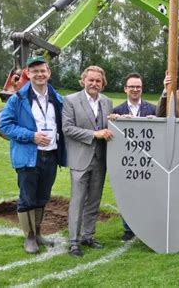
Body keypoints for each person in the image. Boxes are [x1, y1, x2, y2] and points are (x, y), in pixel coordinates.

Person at [0, 56, 66, 254]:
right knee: (27, 198)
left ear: (49, 73)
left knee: (42, 197)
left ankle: (37, 233)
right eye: (34, 71)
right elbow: (5, 125)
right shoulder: (17, 98)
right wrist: (31, 136)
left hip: (50, 156)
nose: (39, 74)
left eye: (42, 70)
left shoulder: (57, 99)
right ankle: (29, 237)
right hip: (29, 156)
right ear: (28, 73)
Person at [63, 65, 114, 257]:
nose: (94, 83)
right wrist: (94, 134)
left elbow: (110, 126)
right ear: (83, 81)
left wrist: (116, 120)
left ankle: (88, 236)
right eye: (91, 80)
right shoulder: (71, 100)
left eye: (98, 81)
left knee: (94, 200)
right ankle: (74, 241)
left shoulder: (107, 102)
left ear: (103, 83)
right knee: (77, 201)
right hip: (80, 159)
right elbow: (67, 128)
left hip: (100, 160)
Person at [112, 72, 156, 241]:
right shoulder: (117, 110)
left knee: (147, 195)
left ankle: (146, 227)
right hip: (126, 161)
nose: (135, 89)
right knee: (126, 196)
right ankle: (129, 229)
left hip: (148, 161)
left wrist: (156, 120)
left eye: (138, 87)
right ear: (125, 89)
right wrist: (116, 120)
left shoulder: (152, 109)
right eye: (132, 87)